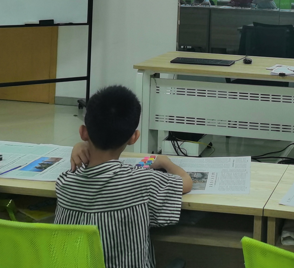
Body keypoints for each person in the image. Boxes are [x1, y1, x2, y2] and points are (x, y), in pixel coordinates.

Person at [57, 85, 193, 268]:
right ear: (134, 137)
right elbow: (186, 183)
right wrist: (165, 162)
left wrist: (79, 145)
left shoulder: (65, 182)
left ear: (83, 132)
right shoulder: (143, 182)